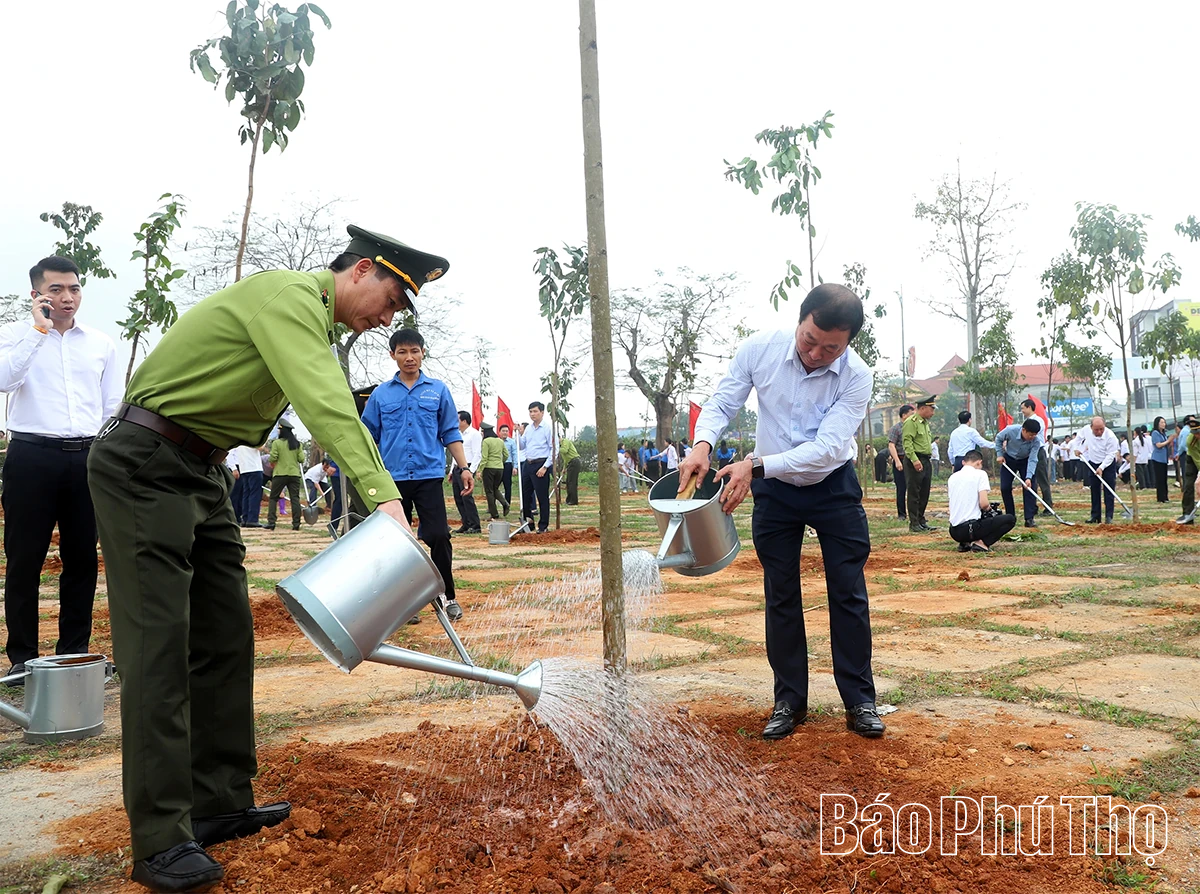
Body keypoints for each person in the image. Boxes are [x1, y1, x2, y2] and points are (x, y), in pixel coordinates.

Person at [87, 225, 444, 891]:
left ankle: (219, 802)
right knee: (158, 648)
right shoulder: (287, 298)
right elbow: (325, 402)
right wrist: (386, 502)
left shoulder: (313, 321)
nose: (389, 317)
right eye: (391, 299)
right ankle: (160, 839)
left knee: (226, 636)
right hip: (146, 464)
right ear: (361, 270)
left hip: (204, 471)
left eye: (399, 311)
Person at [679, 283, 885, 741]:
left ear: (848, 342)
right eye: (810, 340)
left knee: (848, 590)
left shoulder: (856, 375)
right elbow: (723, 401)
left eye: (831, 348)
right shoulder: (760, 350)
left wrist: (753, 465)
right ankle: (789, 700)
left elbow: (829, 446)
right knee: (781, 593)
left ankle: (860, 701)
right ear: (800, 320)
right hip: (775, 491)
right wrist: (702, 444)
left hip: (832, 485)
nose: (816, 354)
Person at [1, 256, 121, 682]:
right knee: (23, 559)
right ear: (36, 294)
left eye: (73, 289)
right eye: (55, 290)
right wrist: (39, 331)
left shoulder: (100, 343)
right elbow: (4, 380)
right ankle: (22, 659)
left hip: (87, 457)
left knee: (82, 559)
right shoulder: (14, 336)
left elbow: (111, 407)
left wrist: (108, 456)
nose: (66, 298)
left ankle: (73, 652)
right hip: (31, 456)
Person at [362, 327, 471, 623]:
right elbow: (367, 435)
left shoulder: (438, 390)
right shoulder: (380, 395)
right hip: (391, 479)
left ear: (423, 352)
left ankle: (448, 596)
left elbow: (450, 432)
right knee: (395, 542)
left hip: (428, 476)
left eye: (414, 351)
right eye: (402, 352)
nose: (409, 357)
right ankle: (405, 604)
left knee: (438, 535)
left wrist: (463, 468)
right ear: (392, 355)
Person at [947, 450, 1015, 552]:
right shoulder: (980, 474)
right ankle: (982, 544)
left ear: (963, 462)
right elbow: (983, 504)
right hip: (970, 529)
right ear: (979, 462)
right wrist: (989, 509)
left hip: (954, 531)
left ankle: (965, 543)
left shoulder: (952, 477)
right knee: (1010, 519)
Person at [995, 417, 1042, 528]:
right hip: (1009, 459)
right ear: (1024, 430)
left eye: (1035, 435)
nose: (1032, 437)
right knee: (1005, 487)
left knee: (1029, 488)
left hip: (1025, 461)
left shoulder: (1036, 441)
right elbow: (998, 439)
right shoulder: (1011, 430)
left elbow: (1033, 459)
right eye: (1030, 435)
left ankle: (1029, 518)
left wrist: (1028, 477)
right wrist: (999, 454)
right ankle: (1010, 517)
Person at [1072, 415, 1121, 524]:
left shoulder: (1111, 437)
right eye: (1096, 430)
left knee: (1109, 490)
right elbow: (1077, 439)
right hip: (1093, 462)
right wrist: (1077, 449)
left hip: (1107, 464)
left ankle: (1109, 516)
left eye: (1101, 429)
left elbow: (1110, 455)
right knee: (1094, 489)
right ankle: (1095, 515)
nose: (1099, 432)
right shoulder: (1085, 430)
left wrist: (1101, 468)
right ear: (1091, 427)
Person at [901, 396, 937, 533]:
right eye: (931, 409)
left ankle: (921, 520)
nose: (933, 412)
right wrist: (915, 460)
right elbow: (907, 443)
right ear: (922, 408)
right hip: (915, 460)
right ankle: (914, 523)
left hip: (926, 460)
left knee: (924, 492)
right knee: (914, 492)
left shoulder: (924, 423)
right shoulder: (911, 422)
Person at [520, 401, 554, 533]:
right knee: (526, 495)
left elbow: (554, 449)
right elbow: (523, 446)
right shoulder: (528, 429)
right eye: (530, 411)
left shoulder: (547, 428)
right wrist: (518, 433)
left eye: (535, 411)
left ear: (542, 412)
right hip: (528, 464)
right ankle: (528, 523)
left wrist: (545, 467)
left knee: (542, 496)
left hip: (541, 464)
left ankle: (543, 525)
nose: (532, 414)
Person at [265, 419, 305, 531]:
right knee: (295, 499)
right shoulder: (297, 444)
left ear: (282, 431)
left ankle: (271, 522)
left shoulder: (277, 443)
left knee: (273, 498)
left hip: (280, 474)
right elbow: (301, 459)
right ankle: (296, 523)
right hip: (294, 474)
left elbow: (272, 458)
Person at [1019, 399, 1054, 516]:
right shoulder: (1028, 421)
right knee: (1030, 480)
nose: (1022, 411)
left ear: (1029, 407)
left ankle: (1048, 506)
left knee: (1042, 479)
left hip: (1038, 452)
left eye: (1023, 408)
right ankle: (1032, 507)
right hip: (1028, 453)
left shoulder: (1037, 421)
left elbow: (1036, 440)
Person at [450, 410, 482, 534]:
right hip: (457, 468)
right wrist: (452, 470)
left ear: (464, 421)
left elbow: (477, 454)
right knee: (458, 497)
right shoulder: (457, 434)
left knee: (467, 498)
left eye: (457, 419)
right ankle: (466, 523)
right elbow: (455, 452)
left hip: (467, 467)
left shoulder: (474, 434)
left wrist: (470, 471)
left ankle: (475, 525)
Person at [887, 405, 914, 520]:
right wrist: (897, 461)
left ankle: (915, 515)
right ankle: (902, 514)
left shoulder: (914, 427)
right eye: (911, 414)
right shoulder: (896, 428)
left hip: (912, 460)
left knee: (914, 489)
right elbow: (891, 445)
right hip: (901, 460)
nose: (913, 417)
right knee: (901, 489)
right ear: (904, 415)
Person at [478, 423, 509, 520]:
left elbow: (484, 458)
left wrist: (480, 470)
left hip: (489, 468)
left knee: (489, 491)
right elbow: (506, 454)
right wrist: (500, 462)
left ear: (485, 432)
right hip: (500, 468)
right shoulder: (500, 441)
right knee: (495, 488)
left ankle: (494, 514)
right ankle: (505, 503)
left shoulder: (486, 441)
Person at [947, 410, 992, 474]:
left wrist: (953, 463)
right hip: (969, 461)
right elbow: (982, 443)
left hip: (958, 461)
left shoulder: (954, 432)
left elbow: (950, 450)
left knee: (959, 482)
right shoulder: (971, 431)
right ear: (969, 420)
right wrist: (995, 445)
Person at [233, 444, 265, 528]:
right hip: (254, 467)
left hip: (244, 468)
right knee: (255, 494)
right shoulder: (253, 438)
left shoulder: (241, 439)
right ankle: (252, 519)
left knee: (246, 494)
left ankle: (245, 518)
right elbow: (260, 447)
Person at [1177, 415, 1200, 523]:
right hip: (1192, 459)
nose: (1197, 436)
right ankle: (1187, 513)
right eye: (1195, 433)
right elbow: (1197, 460)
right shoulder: (1190, 441)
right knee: (1189, 486)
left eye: (1198, 433)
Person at [1149, 416, 1177, 503]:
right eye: (1162, 422)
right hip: (1157, 459)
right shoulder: (1155, 433)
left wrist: (1170, 442)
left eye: (1164, 422)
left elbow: (1165, 445)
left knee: (1164, 478)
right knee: (1160, 479)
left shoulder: (1163, 433)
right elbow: (1158, 445)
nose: (1163, 424)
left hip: (1164, 459)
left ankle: (1165, 497)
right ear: (1157, 423)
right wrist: (1168, 440)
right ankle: (1161, 497)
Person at [559, 435, 581, 504]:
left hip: (574, 462)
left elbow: (565, 451)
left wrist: (555, 448)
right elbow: (565, 460)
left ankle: (573, 501)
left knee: (572, 482)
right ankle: (569, 500)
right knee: (568, 482)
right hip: (570, 463)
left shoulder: (565, 442)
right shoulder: (560, 447)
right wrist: (564, 468)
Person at [500, 423, 517, 508]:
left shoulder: (512, 442)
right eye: (503, 431)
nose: (505, 433)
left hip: (507, 465)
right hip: (497, 465)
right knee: (494, 486)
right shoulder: (496, 441)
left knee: (507, 486)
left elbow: (514, 454)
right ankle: (492, 505)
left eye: (506, 431)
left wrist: (515, 466)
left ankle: (507, 505)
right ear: (499, 432)